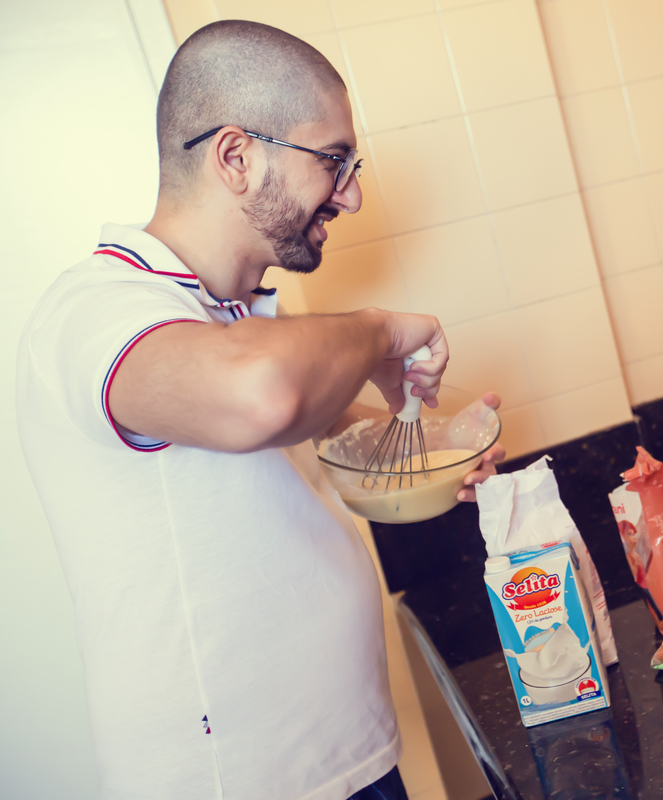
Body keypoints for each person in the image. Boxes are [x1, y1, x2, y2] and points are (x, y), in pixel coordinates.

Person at [15, 20, 502, 800]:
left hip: (343, 760)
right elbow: (261, 397)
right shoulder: (98, 309)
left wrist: (432, 450)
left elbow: (308, 472)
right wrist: (381, 329)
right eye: (334, 161)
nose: (352, 193)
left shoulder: (240, 318)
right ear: (236, 156)